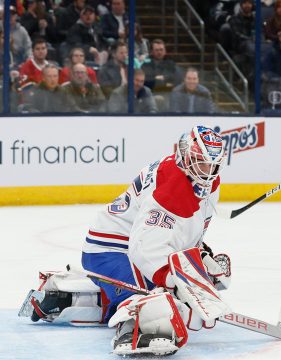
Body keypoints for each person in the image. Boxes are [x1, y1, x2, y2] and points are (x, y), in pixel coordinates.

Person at [22, 126, 233, 356]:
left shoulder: (206, 181)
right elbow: (144, 247)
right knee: (157, 304)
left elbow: (181, 231)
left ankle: (71, 297)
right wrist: (177, 282)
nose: (207, 170)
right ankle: (136, 328)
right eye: (201, 162)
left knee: (168, 297)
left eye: (213, 164)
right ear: (186, 154)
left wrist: (199, 255)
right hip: (110, 249)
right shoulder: (174, 186)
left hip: (127, 245)